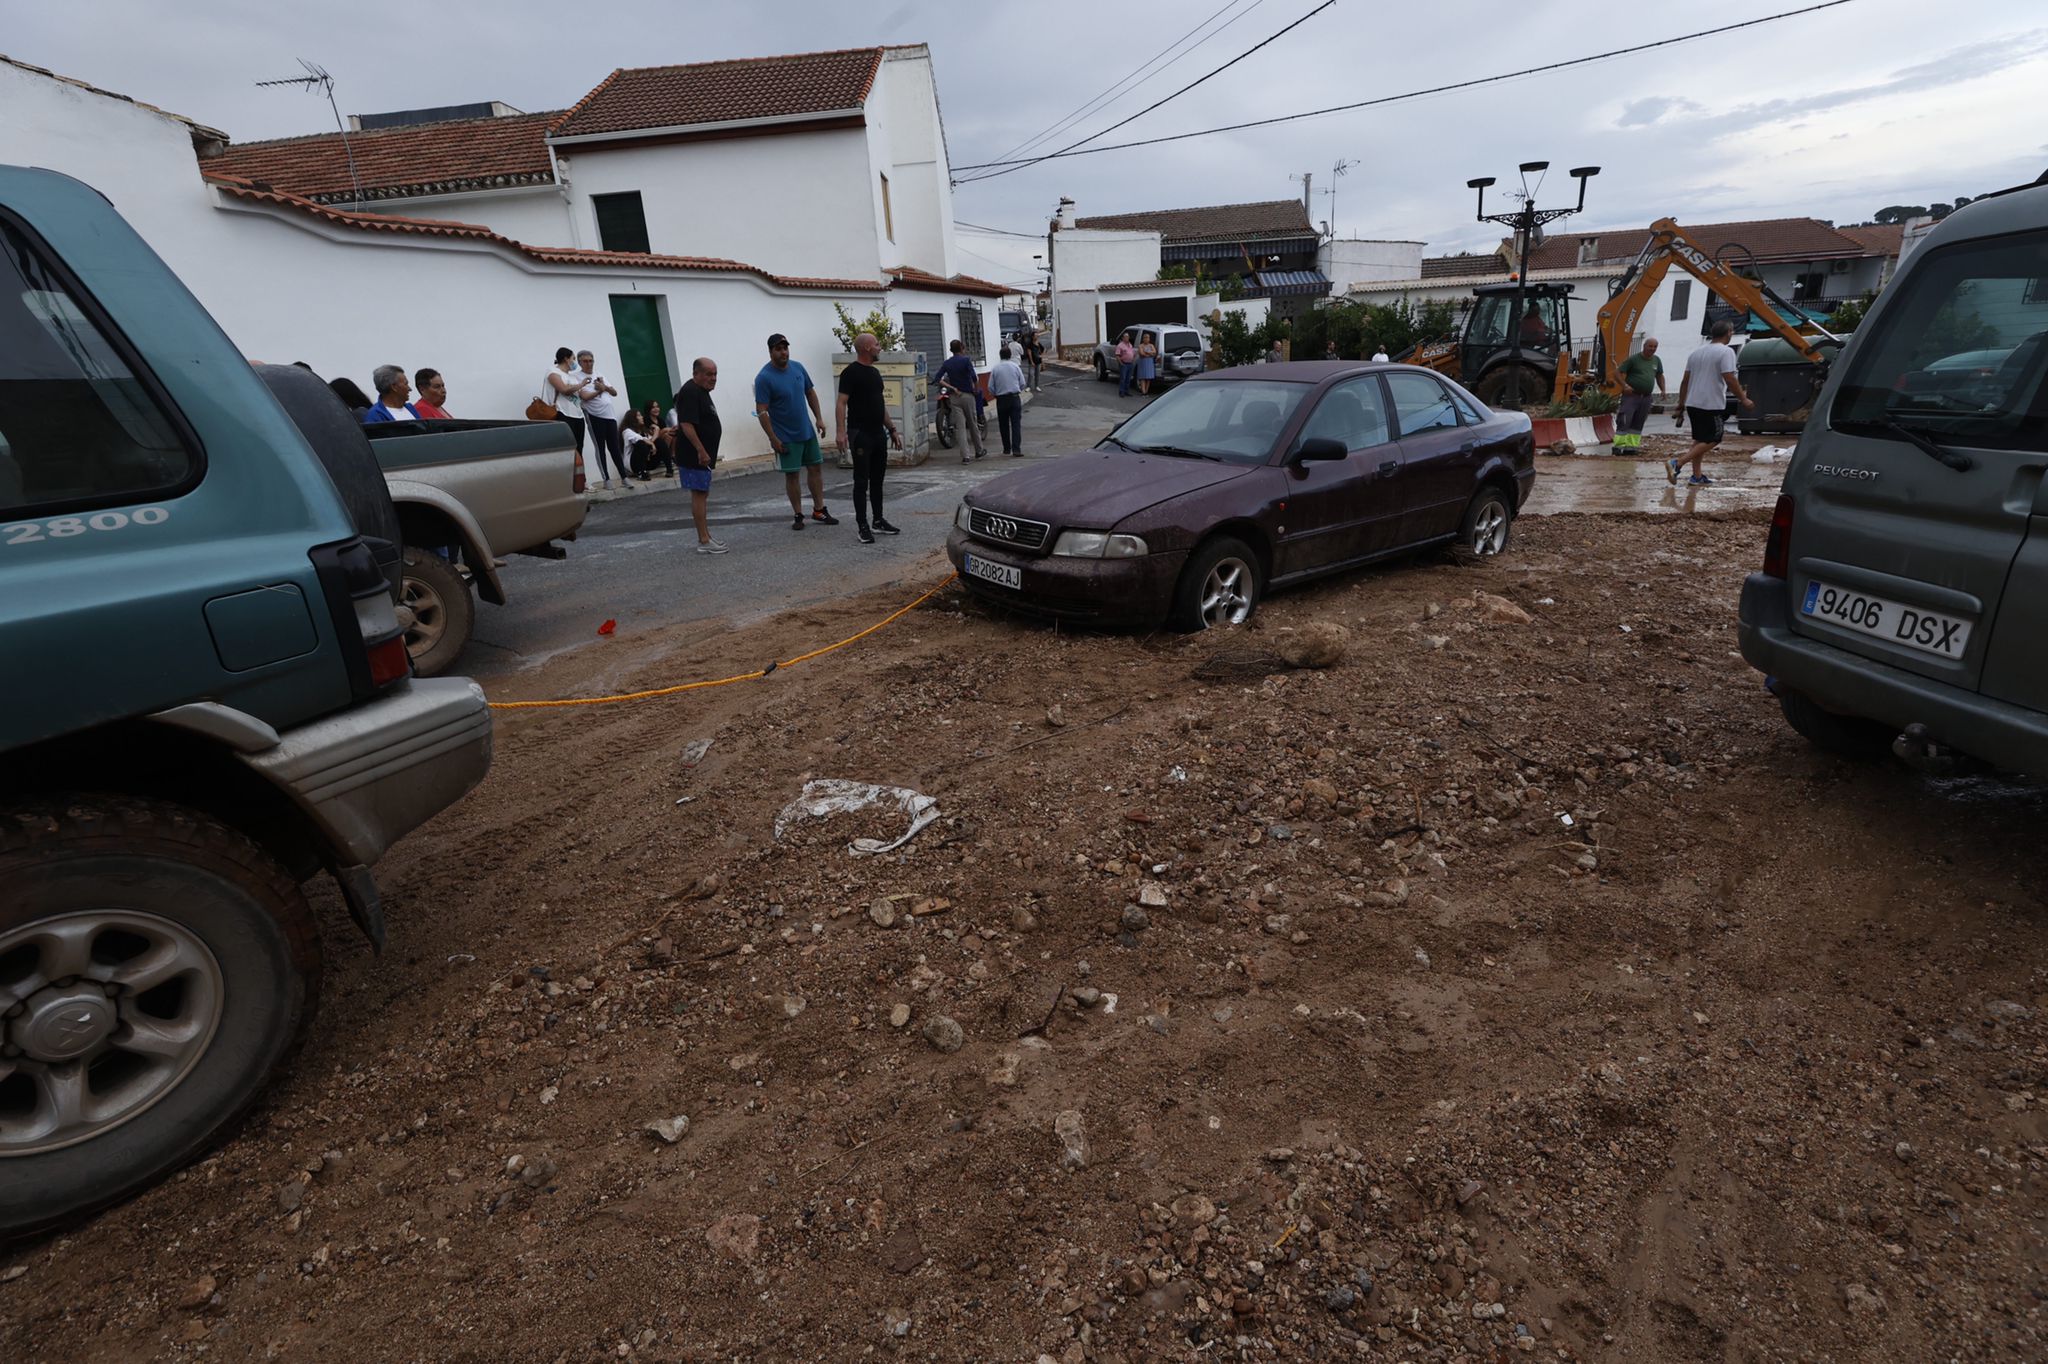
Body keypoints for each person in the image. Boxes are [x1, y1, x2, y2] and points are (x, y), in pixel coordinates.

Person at [753, 333, 837, 529]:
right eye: (779, 349)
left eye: (785, 348)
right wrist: (772, 438)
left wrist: (819, 418)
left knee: (815, 468)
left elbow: (810, 392)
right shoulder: (764, 378)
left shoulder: (798, 368)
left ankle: (819, 510)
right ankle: (798, 514)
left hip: (806, 431)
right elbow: (761, 410)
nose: (784, 352)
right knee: (792, 475)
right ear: (771, 352)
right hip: (785, 436)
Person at [834, 332, 904, 546]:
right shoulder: (850, 373)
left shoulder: (874, 373)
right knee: (861, 481)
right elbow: (841, 403)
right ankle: (862, 525)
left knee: (878, 479)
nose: (879, 347)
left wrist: (891, 429)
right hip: (860, 434)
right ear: (866, 348)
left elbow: (879, 405)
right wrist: (840, 431)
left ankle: (878, 520)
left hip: (877, 433)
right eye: (876, 344)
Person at [1669, 320, 1754, 487]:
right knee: (1714, 438)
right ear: (1729, 332)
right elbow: (1729, 377)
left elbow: (1685, 380)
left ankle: (1697, 476)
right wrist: (1743, 398)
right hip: (1710, 403)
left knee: (1700, 439)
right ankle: (1677, 463)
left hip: (1693, 402)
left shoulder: (1696, 353)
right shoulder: (1726, 352)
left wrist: (1681, 403)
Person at [673, 357, 727, 553]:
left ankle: (706, 537)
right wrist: (701, 450)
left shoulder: (700, 391)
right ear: (696, 374)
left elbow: (688, 421)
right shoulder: (690, 392)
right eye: (708, 374)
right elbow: (687, 424)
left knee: (702, 493)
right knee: (699, 494)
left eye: (715, 374)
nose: (713, 378)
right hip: (694, 455)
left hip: (700, 455)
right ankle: (703, 541)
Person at [577, 349, 629, 492]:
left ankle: (624, 477)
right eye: (585, 361)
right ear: (579, 362)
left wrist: (603, 387)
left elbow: (614, 392)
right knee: (600, 448)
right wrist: (599, 391)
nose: (589, 364)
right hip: (594, 415)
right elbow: (585, 396)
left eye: (591, 360)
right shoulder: (577, 377)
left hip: (609, 415)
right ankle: (606, 479)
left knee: (614, 447)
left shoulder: (599, 374)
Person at [543, 348, 594, 473]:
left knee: (579, 448)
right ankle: (568, 479)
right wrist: (581, 384)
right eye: (573, 358)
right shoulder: (553, 372)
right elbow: (564, 389)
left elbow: (583, 395)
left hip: (578, 415)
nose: (574, 362)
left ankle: (581, 479)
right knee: (567, 449)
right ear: (566, 359)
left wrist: (601, 389)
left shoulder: (572, 377)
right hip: (563, 414)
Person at [935, 338, 985, 461]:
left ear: (951, 350)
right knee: (973, 424)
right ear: (962, 348)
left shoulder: (947, 363)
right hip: (968, 395)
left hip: (954, 397)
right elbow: (974, 378)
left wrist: (951, 387)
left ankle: (965, 456)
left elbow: (938, 378)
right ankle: (979, 451)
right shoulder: (966, 361)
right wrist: (976, 390)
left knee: (960, 427)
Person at [1614, 338, 1664, 455]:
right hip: (1631, 396)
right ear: (1644, 346)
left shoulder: (1656, 360)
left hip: (1646, 397)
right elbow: (1617, 373)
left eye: (1655, 347)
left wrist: (1663, 389)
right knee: (1625, 420)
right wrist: (1625, 385)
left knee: (1638, 422)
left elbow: (1660, 376)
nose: (1652, 349)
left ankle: (1631, 448)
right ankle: (1618, 447)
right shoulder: (1634, 359)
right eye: (1650, 346)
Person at [990, 343, 1026, 457]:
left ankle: (1006, 448)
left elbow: (990, 387)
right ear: (1010, 355)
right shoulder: (1015, 367)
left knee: (1003, 424)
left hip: (1001, 399)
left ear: (1000, 356)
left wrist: (996, 394)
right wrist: (1017, 390)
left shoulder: (995, 369)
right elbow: (1022, 383)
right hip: (1014, 398)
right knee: (1016, 424)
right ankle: (1016, 449)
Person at [1114, 331, 1137, 398]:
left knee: (1128, 378)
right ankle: (1121, 391)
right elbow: (1117, 355)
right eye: (1126, 337)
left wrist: (1132, 359)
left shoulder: (1130, 345)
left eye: (1128, 337)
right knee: (1123, 378)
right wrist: (1121, 363)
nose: (1127, 338)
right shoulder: (1120, 345)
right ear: (1123, 338)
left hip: (1130, 364)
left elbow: (1132, 353)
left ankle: (1126, 391)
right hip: (1124, 364)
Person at [1135, 332, 1158, 396]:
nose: (1146, 339)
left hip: (1149, 363)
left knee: (1148, 378)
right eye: (1145, 337)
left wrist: (1147, 352)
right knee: (1142, 377)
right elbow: (1142, 354)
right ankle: (1143, 392)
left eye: (1148, 337)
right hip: (1142, 363)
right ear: (1143, 339)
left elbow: (1154, 352)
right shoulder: (1141, 345)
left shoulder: (1151, 345)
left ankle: (1146, 392)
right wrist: (1150, 354)